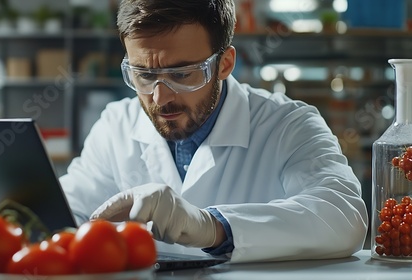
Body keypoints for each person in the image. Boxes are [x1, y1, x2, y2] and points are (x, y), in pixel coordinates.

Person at [60, 0, 368, 262]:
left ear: (224, 63)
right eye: (144, 75)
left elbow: (344, 215)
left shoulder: (288, 125)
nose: (160, 97)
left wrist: (212, 226)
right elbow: (65, 214)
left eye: (181, 74)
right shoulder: (116, 125)